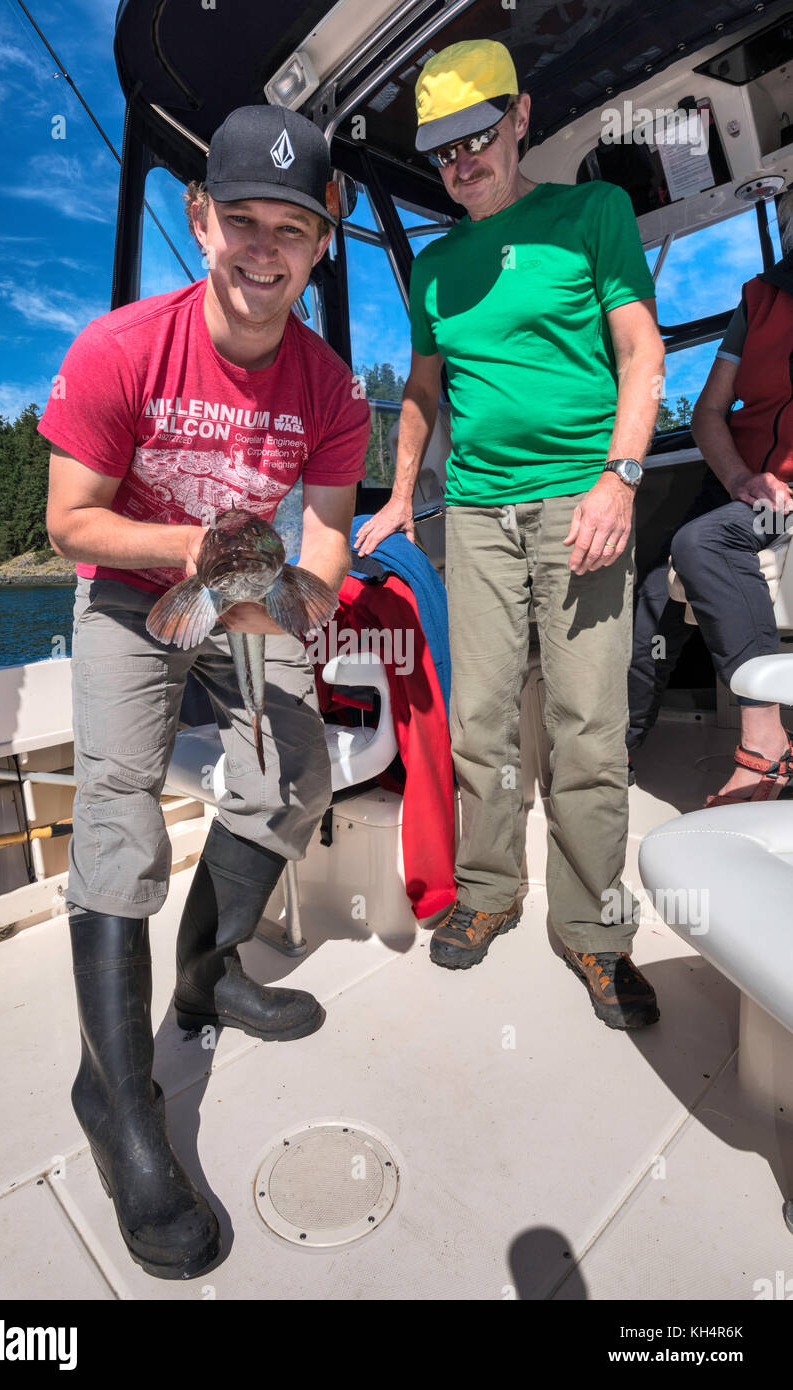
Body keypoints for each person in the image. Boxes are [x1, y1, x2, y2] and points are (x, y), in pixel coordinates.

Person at [40, 104, 369, 1279]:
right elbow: (67, 519)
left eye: (292, 229)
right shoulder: (120, 349)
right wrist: (190, 553)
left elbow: (324, 544)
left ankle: (206, 972)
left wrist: (295, 602)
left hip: (249, 590)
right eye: (242, 222)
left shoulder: (332, 389)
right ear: (201, 220)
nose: (265, 250)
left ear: (319, 244)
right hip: (135, 587)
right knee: (119, 813)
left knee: (298, 768)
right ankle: (118, 1097)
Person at [356, 39, 665, 1029]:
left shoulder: (591, 215)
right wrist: (404, 494)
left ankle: (594, 930)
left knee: (587, 722)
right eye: (442, 150)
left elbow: (641, 352)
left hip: (585, 499)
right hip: (480, 514)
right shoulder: (436, 268)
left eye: (476, 138)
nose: (460, 162)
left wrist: (622, 478)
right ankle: (489, 891)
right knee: (483, 716)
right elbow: (421, 392)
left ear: (520, 117)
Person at [660, 249, 793, 805]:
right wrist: (741, 477)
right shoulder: (760, 296)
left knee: (701, 541)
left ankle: (766, 742)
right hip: (751, 487)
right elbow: (708, 412)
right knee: (650, 591)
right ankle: (617, 753)